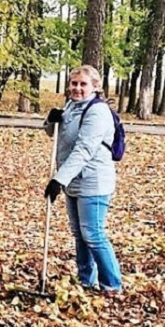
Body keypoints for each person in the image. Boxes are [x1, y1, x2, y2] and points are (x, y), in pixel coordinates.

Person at [43, 65, 122, 293]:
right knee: (80, 234)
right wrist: (51, 120)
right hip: (73, 180)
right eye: (74, 83)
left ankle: (112, 285)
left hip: (93, 181)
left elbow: (84, 149)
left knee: (93, 233)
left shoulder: (97, 112)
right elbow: (55, 133)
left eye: (83, 84)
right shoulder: (71, 105)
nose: (77, 88)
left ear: (95, 87)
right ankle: (87, 280)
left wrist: (59, 180)